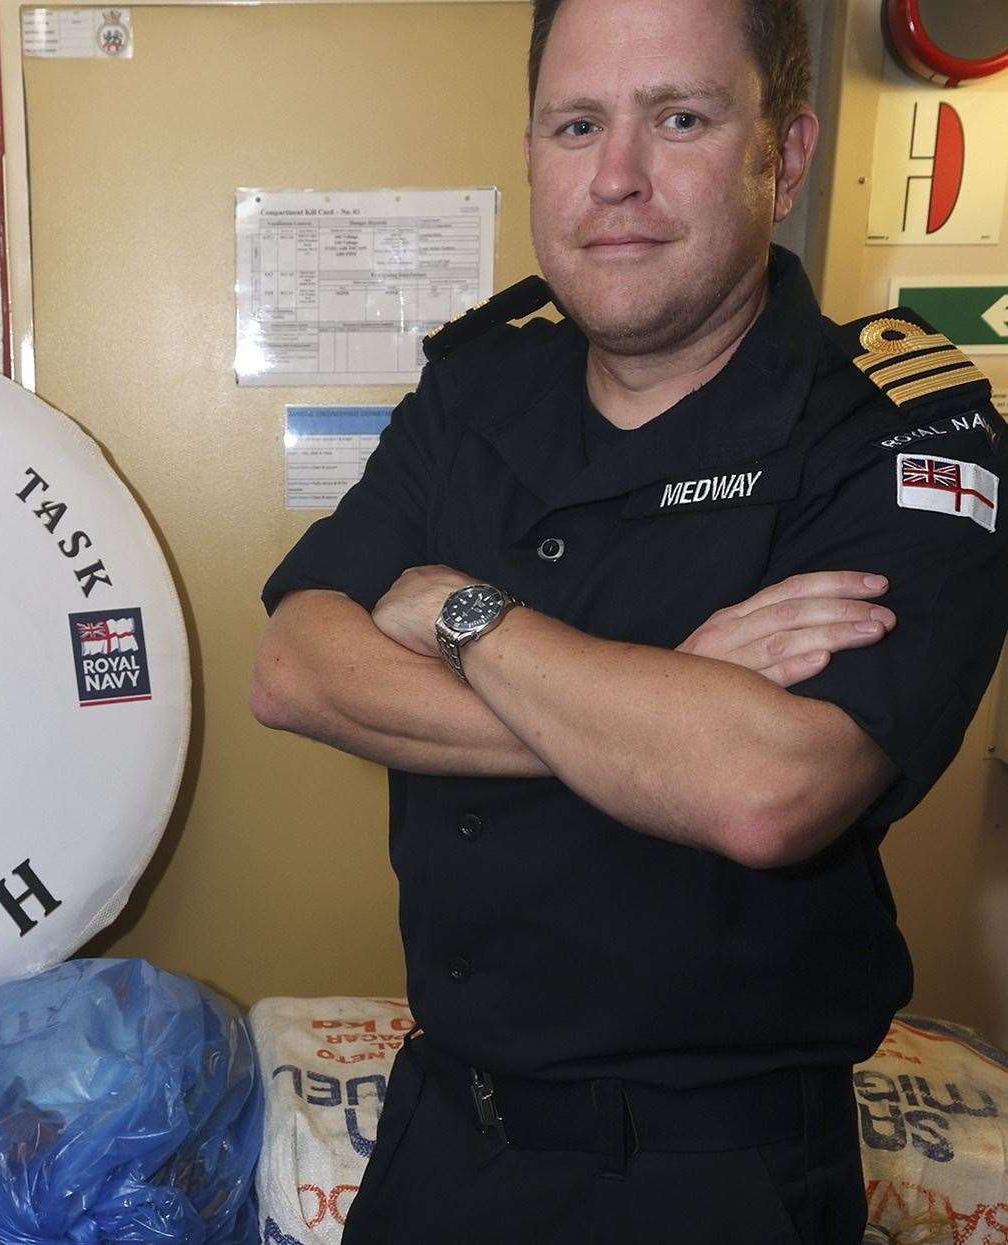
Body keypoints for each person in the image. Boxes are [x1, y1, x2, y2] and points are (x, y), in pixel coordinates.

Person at [249, 0, 1008, 1240]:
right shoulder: (478, 386)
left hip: (709, 1174)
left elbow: (765, 790)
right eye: (576, 124)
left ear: (789, 151)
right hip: (443, 1136)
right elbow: (294, 666)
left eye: (680, 119)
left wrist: (455, 614)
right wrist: (664, 702)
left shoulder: (895, 428)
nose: (614, 178)